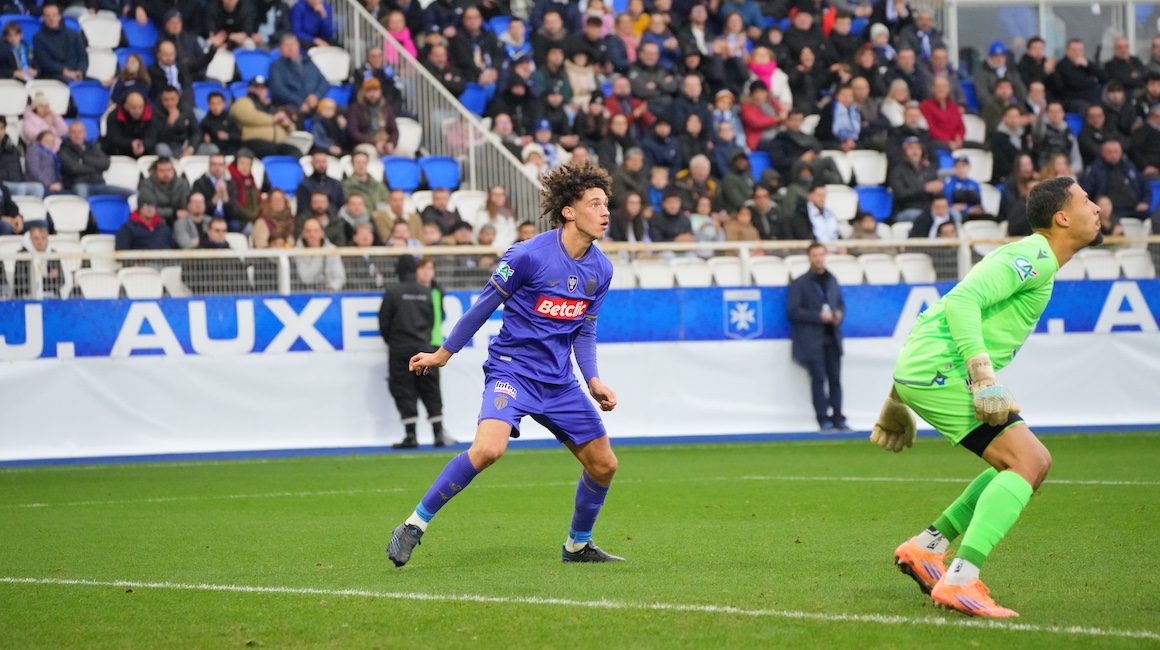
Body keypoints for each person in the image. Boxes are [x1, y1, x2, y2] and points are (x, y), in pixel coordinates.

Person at [877, 176, 1102, 618]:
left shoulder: (1037, 259)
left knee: (1023, 463)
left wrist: (896, 396)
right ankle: (960, 580)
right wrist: (981, 375)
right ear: (1061, 218)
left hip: (929, 368)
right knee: (1029, 463)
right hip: (944, 370)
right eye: (1086, 200)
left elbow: (938, 313)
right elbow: (961, 301)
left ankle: (927, 547)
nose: (1096, 207)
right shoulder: (1035, 256)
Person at [386, 160, 621, 568]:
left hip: (559, 382)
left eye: (606, 204)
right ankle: (412, 526)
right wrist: (444, 353)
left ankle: (577, 546)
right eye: (595, 204)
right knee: (488, 450)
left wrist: (594, 380)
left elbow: (584, 330)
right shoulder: (527, 255)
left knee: (604, 465)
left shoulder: (601, 269)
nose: (605, 213)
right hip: (512, 372)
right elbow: (483, 307)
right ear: (569, 211)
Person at [376, 252, 454, 445]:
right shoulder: (426, 292)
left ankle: (410, 435)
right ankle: (438, 433)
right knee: (431, 388)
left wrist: (394, 342)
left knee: (404, 389)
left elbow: (384, 322)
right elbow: (433, 320)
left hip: (400, 349)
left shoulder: (393, 292)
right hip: (424, 348)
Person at [787, 242, 847, 432]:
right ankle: (823, 418)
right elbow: (793, 311)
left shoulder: (832, 279)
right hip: (812, 340)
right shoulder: (800, 283)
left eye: (821, 255)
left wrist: (839, 314)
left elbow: (840, 303)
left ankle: (838, 417)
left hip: (832, 338)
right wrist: (818, 316)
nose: (819, 259)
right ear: (809, 257)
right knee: (818, 379)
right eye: (815, 255)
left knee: (835, 379)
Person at [1080, 140, 1151, 220]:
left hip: (1133, 208)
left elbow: (1145, 183)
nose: (1113, 155)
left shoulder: (1128, 167)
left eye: (1116, 152)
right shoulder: (1095, 170)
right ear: (1103, 153)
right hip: (1110, 210)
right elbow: (1086, 191)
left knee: (1148, 215)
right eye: (1109, 152)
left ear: (1121, 152)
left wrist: (1145, 201)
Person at [31, 3, 86, 83]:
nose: (51, 19)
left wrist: (80, 71)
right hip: (53, 75)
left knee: (96, 83)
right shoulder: (38, 38)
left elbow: (83, 57)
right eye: (48, 16)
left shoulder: (73, 34)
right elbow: (46, 62)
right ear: (43, 18)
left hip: (76, 73)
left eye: (54, 15)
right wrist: (66, 72)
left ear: (59, 16)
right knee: (68, 81)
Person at [12, 221, 63, 299]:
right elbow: (21, 282)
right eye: (36, 238)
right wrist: (48, 279)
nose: (40, 242)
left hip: (51, 296)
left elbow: (61, 280)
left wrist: (36, 280)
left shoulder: (53, 253)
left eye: (43, 238)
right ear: (30, 239)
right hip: (27, 297)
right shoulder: (22, 255)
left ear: (47, 240)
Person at [294, 216, 346, 291]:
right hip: (305, 292)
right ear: (303, 234)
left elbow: (340, 276)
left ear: (322, 233)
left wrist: (330, 288)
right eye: (308, 231)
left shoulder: (331, 250)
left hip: (330, 292)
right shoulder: (297, 252)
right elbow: (305, 278)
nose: (312, 234)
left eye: (316, 231)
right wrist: (319, 254)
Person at [105, 91, 160, 159]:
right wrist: (131, 143)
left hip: (144, 150)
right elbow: (113, 138)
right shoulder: (114, 116)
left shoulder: (151, 115)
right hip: (120, 151)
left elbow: (152, 137)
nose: (137, 111)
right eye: (133, 107)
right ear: (126, 106)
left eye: (140, 107)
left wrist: (143, 145)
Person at [138, 157, 191, 226]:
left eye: (168, 170)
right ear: (155, 172)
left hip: (179, 221)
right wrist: (174, 213)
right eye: (161, 171)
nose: (166, 174)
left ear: (173, 170)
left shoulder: (182, 183)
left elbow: (186, 205)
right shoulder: (147, 184)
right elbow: (149, 209)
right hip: (155, 222)